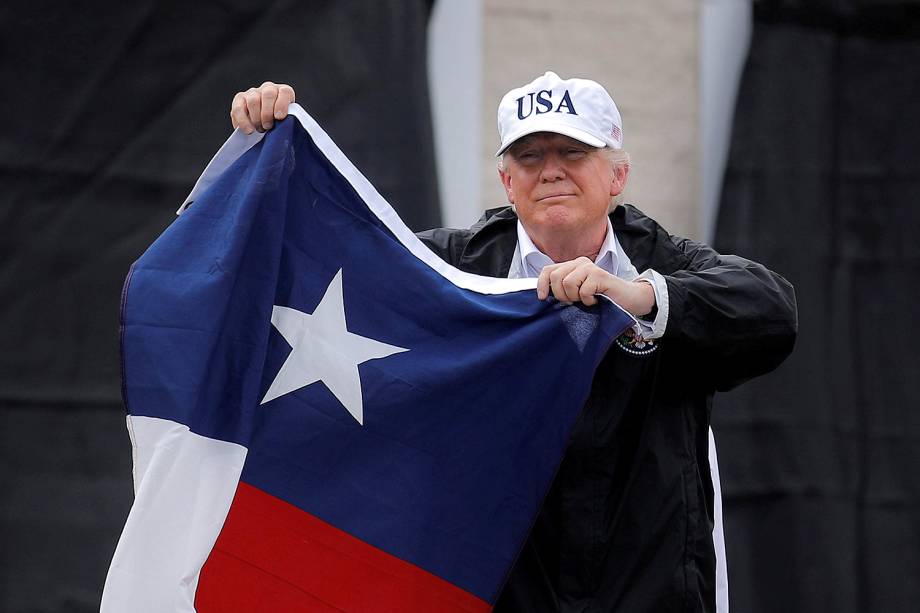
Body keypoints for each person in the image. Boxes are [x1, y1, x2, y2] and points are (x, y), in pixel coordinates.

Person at [229, 72, 797, 612]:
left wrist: (640, 298)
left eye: (573, 153)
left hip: (648, 588)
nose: (550, 171)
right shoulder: (451, 265)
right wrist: (268, 149)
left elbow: (772, 310)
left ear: (617, 177)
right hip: (497, 585)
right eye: (530, 156)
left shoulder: (662, 263)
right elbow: (319, 259)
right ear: (507, 181)